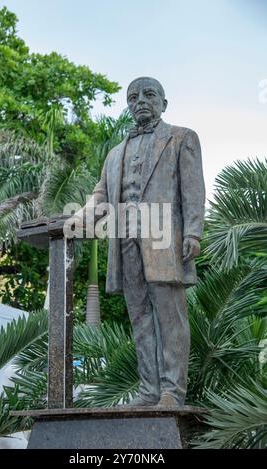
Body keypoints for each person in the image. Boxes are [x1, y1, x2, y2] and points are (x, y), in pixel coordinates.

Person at [65, 77, 205, 406]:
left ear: (163, 103)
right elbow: (99, 196)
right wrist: (75, 220)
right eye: (132, 96)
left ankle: (172, 391)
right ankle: (149, 391)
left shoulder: (181, 138)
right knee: (140, 317)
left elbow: (194, 189)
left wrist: (194, 232)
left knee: (170, 317)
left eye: (149, 94)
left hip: (163, 239)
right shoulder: (115, 154)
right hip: (125, 240)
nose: (140, 100)